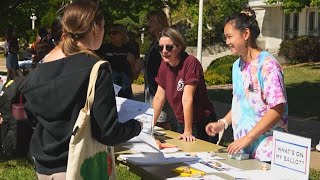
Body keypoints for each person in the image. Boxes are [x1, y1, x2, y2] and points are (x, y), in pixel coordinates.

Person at [22, 1, 142, 179]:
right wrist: (137, 126)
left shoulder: (41, 66)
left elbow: (31, 114)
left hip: (44, 164)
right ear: (95, 28)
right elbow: (107, 132)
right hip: (80, 165)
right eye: (103, 27)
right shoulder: (96, 69)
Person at [205, 8, 288, 162]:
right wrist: (222, 123)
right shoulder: (237, 66)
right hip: (244, 152)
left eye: (230, 36)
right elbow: (241, 103)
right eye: (226, 37)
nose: (227, 42)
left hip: (268, 154)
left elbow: (277, 108)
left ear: (245, 34)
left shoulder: (268, 66)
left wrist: (248, 138)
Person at [152, 27, 218, 143]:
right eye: (160, 47)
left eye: (169, 47)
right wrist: (150, 126)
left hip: (201, 122)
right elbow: (158, 98)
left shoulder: (191, 63)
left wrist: (188, 130)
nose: (164, 51)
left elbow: (187, 98)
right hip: (181, 121)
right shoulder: (164, 65)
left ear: (179, 47)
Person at [144, 10, 175, 130]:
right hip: (151, 89)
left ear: (160, 23)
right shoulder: (154, 43)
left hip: (160, 89)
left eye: (152, 21)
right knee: (154, 122)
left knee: (162, 124)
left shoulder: (166, 42)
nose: (149, 23)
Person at [96, 23, 135, 98]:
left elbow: (134, 75)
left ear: (122, 35)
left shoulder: (130, 49)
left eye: (114, 33)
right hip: (109, 88)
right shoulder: (104, 48)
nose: (111, 35)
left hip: (125, 90)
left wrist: (132, 63)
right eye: (109, 33)